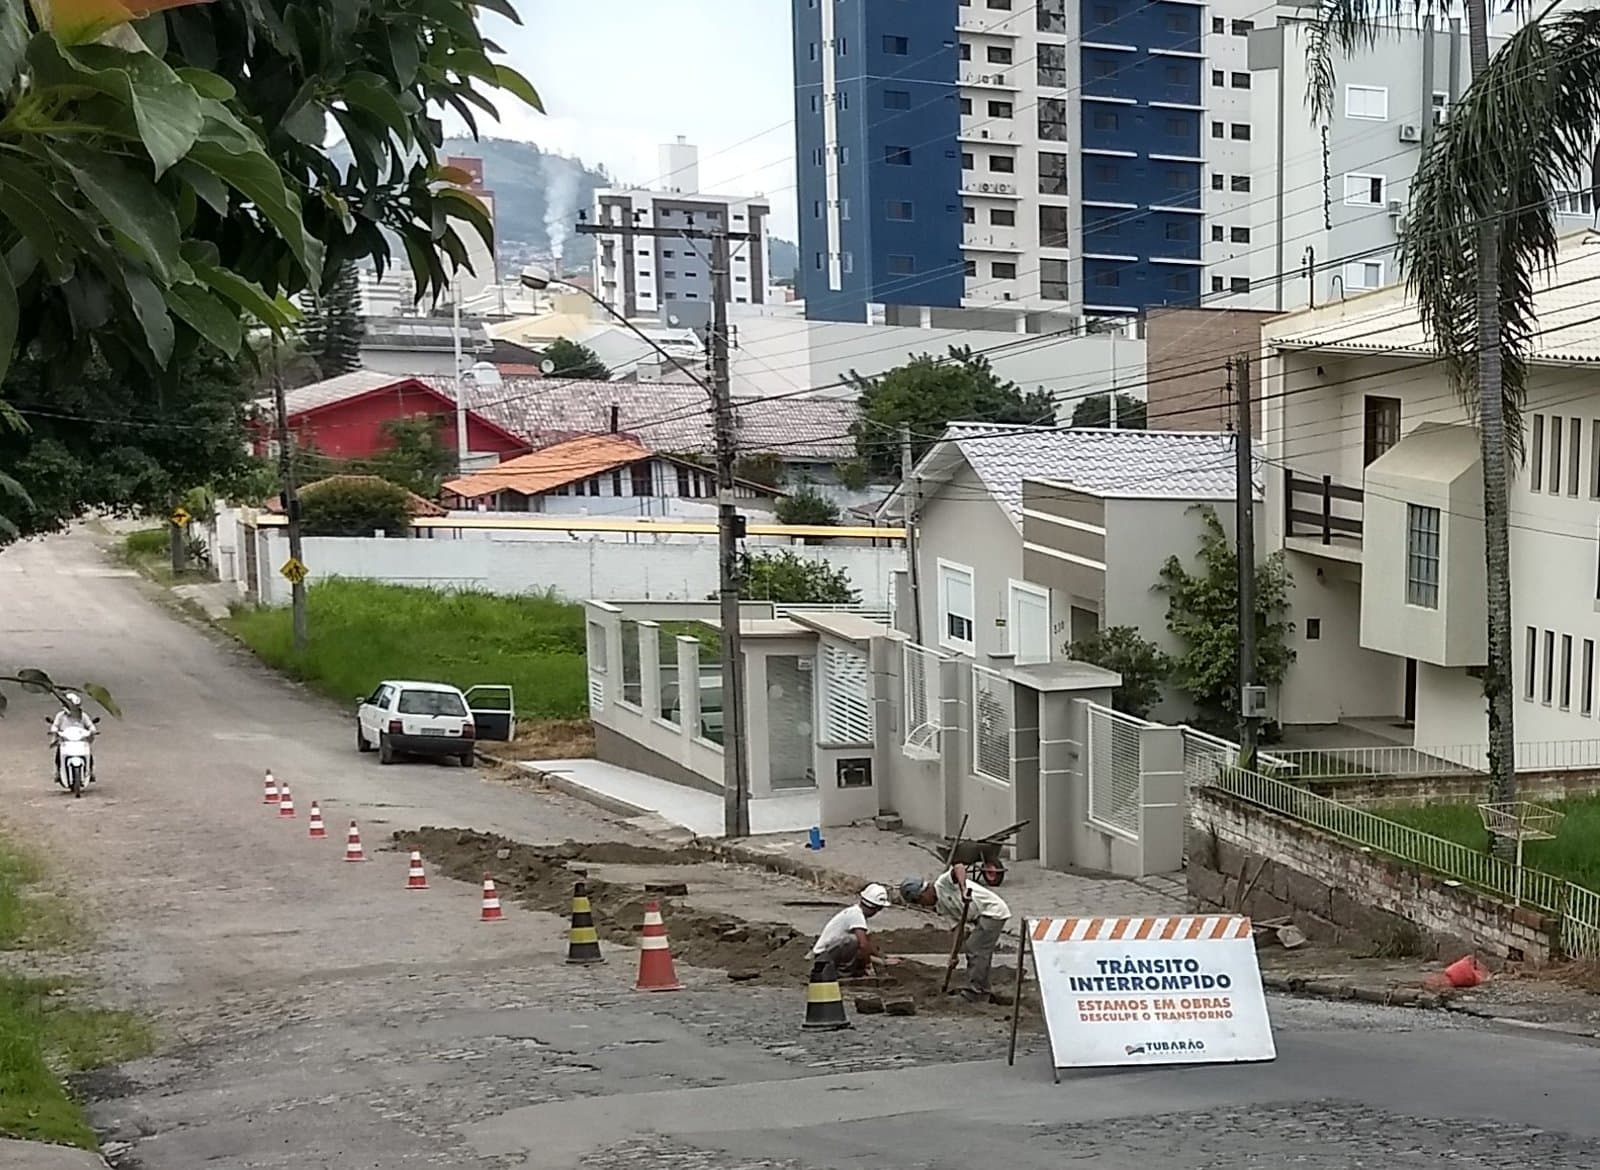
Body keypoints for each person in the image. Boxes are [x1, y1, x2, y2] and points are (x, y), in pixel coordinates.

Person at [901, 865, 1011, 1004]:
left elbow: (959, 867)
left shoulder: (943, 884)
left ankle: (975, 993)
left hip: (992, 911)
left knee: (975, 948)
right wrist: (954, 955)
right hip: (981, 916)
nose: (922, 905)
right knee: (979, 950)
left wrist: (963, 888)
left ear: (925, 892)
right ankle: (982, 990)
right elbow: (958, 929)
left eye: (919, 901)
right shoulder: (940, 907)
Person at [809, 883, 890, 978]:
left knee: (861, 943)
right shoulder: (856, 915)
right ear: (876, 908)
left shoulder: (856, 913)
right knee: (854, 940)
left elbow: (866, 945)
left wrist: (883, 958)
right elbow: (863, 945)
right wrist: (868, 966)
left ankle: (851, 970)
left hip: (829, 953)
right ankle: (842, 973)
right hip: (823, 957)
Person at [49, 692, 97, 782]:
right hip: (65, 740)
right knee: (59, 753)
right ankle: (58, 771)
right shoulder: (60, 716)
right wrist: (54, 730)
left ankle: (90, 771)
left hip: (80, 740)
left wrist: (92, 730)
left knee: (88, 754)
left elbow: (90, 725)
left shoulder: (83, 716)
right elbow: (55, 725)